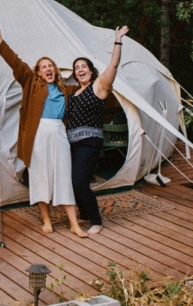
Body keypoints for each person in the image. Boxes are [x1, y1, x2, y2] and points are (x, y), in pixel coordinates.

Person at [0, 26, 87, 238]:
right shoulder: (31, 83)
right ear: (39, 72)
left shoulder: (66, 90)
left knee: (63, 175)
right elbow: (16, 64)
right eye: (44, 67)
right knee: (41, 176)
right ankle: (47, 219)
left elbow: (90, 89)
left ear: (55, 71)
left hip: (59, 133)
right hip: (38, 134)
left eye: (51, 66)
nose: (48, 69)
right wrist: (0, 42)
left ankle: (74, 224)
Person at [67, 25, 129, 236]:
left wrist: (118, 40)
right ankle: (84, 213)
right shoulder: (74, 92)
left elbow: (113, 65)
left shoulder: (98, 86)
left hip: (89, 143)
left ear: (91, 70)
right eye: (76, 68)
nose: (80, 69)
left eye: (83, 66)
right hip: (72, 143)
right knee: (73, 182)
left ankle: (96, 220)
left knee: (80, 182)